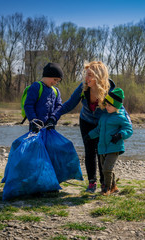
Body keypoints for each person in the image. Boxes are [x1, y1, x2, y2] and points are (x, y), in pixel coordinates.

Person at [52, 61, 130, 193]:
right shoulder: (83, 87)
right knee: (89, 151)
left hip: (103, 124)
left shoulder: (109, 90)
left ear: (98, 76)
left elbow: (120, 109)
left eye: (89, 75)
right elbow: (70, 104)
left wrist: (125, 130)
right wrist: (54, 116)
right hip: (86, 121)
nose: (86, 78)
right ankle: (92, 183)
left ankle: (104, 184)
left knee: (102, 152)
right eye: (86, 75)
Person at [86, 88, 133, 196]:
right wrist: (90, 135)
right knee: (105, 169)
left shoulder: (120, 116)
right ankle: (113, 187)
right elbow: (98, 129)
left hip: (114, 147)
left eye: (109, 105)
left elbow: (129, 129)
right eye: (106, 104)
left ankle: (106, 189)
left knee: (107, 168)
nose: (106, 107)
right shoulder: (104, 116)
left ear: (116, 106)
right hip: (102, 147)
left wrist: (120, 135)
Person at [24, 62, 63, 132]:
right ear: (47, 76)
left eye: (58, 81)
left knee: (49, 143)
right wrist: (34, 120)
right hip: (35, 127)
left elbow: (59, 107)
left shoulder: (56, 91)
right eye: (55, 79)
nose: (56, 83)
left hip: (50, 127)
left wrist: (53, 119)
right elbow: (28, 105)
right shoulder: (36, 87)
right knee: (37, 143)